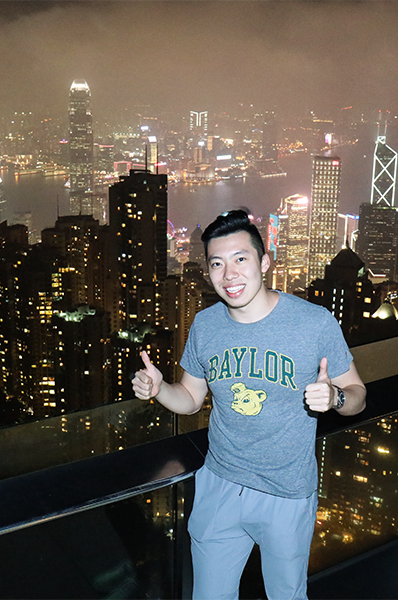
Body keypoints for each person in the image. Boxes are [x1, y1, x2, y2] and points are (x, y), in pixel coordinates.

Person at [133, 209, 366, 599]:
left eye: (241, 259)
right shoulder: (206, 325)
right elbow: (191, 399)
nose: (230, 275)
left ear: (264, 261)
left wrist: (335, 396)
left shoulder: (314, 323)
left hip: (287, 493)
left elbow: (357, 396)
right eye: (217, 264)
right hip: (220, 484)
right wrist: (159, 389)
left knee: (286, 597)